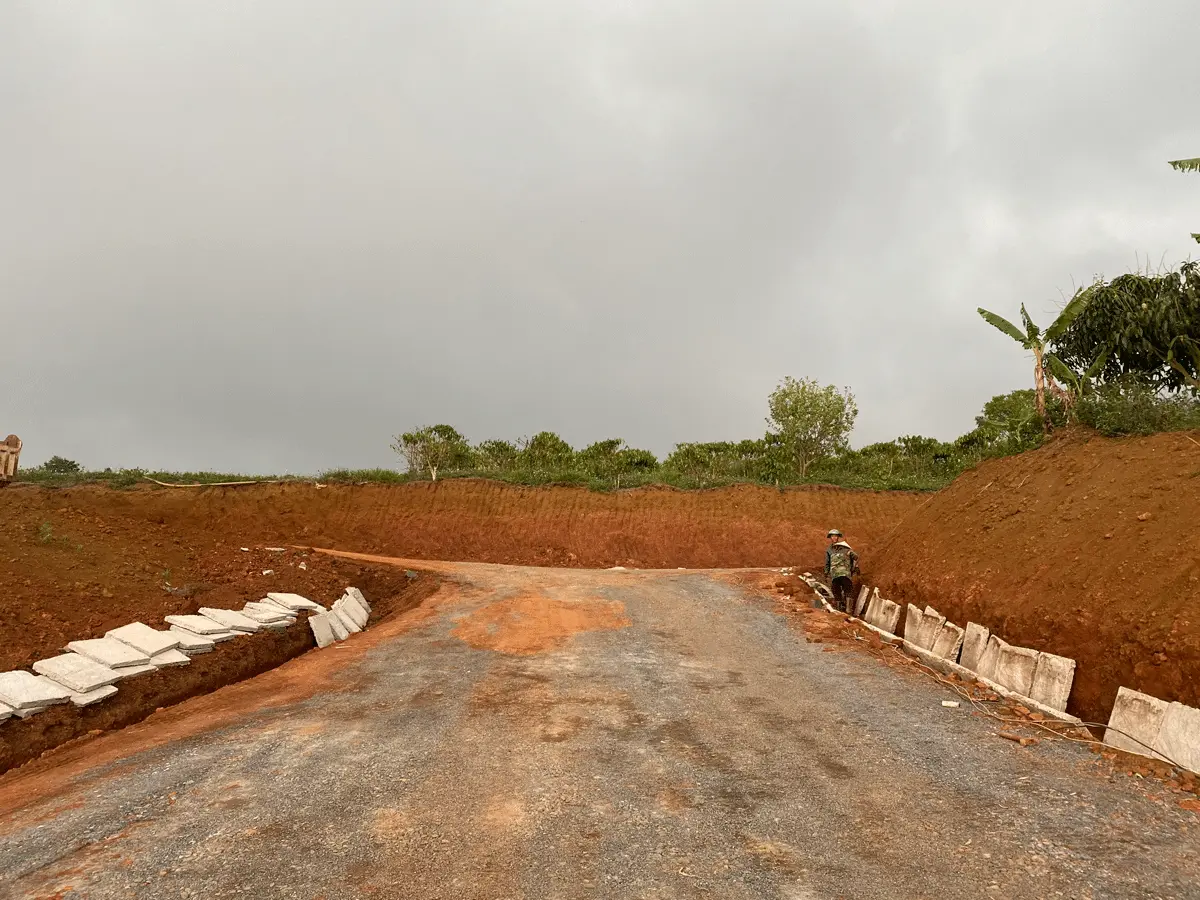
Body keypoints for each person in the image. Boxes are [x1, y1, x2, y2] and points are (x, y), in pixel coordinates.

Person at [824, 529, 859, 612]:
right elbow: (827, 563)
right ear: (830, 537)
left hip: (840, 574)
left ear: (838, 537)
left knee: (842, 590)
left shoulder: (843, 548)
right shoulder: (831, 550)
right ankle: (845, 610)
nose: (834, 538)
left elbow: (855, 557)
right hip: (839, 574)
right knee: (843, 590)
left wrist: (826, 573)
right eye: (832, 536)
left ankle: (844, 610)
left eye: (835, 536)